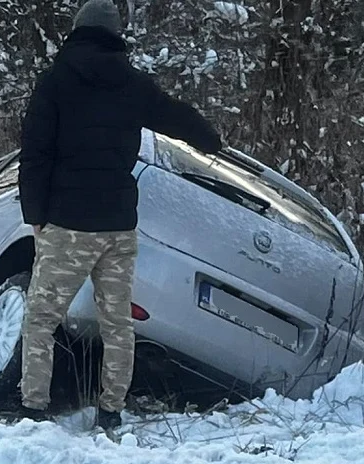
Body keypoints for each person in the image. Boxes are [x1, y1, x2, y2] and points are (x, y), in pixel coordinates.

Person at [16, 0, 223, 429]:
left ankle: (33, 409)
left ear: (78, 29)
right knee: (116, 322)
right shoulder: (132, 83)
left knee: (41, 317)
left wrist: (34, 213)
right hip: (117, 224)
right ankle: (111, 410)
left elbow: (34, 154)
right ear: (114, 33)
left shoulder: (54, 82)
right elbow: (177, 116)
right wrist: (211, 141)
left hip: (68, 224)